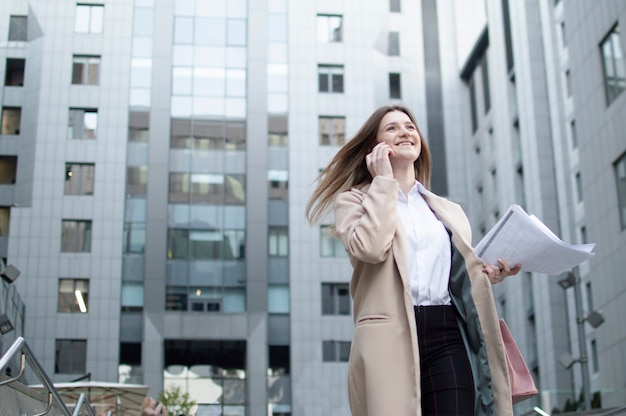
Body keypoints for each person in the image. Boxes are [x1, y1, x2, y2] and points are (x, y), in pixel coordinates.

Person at [306, 105, 522, 416]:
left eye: (409, 126)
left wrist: (488, 273)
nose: (405, 132)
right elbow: (370, 248)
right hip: (387, 335)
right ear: (374, 148)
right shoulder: (354, 200)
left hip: (447, 331)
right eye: (391, 128)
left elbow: (454, 275)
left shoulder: (447, 210)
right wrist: (382, 182)